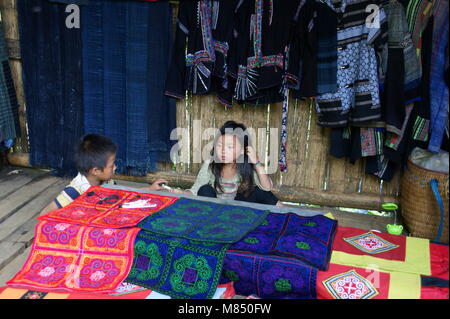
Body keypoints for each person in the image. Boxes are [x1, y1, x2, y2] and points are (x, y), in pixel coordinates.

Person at [40, 133, 169, 215]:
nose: (115, 168)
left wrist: (150, 189)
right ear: (96, 171)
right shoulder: (75, 191)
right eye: (112, 165)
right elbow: (45, 213)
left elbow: (124, 194)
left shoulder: (108, 182)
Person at [170, 121, 282, 206]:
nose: (223, 151)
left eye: (230, 147)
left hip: (239, 211)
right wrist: (182, 193)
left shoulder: (247, 166)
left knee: (257, 192)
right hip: (214, 210)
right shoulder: (210, 164)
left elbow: (267, 188)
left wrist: (257, 163)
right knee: (205, 189)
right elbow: (196, 190)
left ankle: (288, 214)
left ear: (243, 150)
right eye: (219, 145)